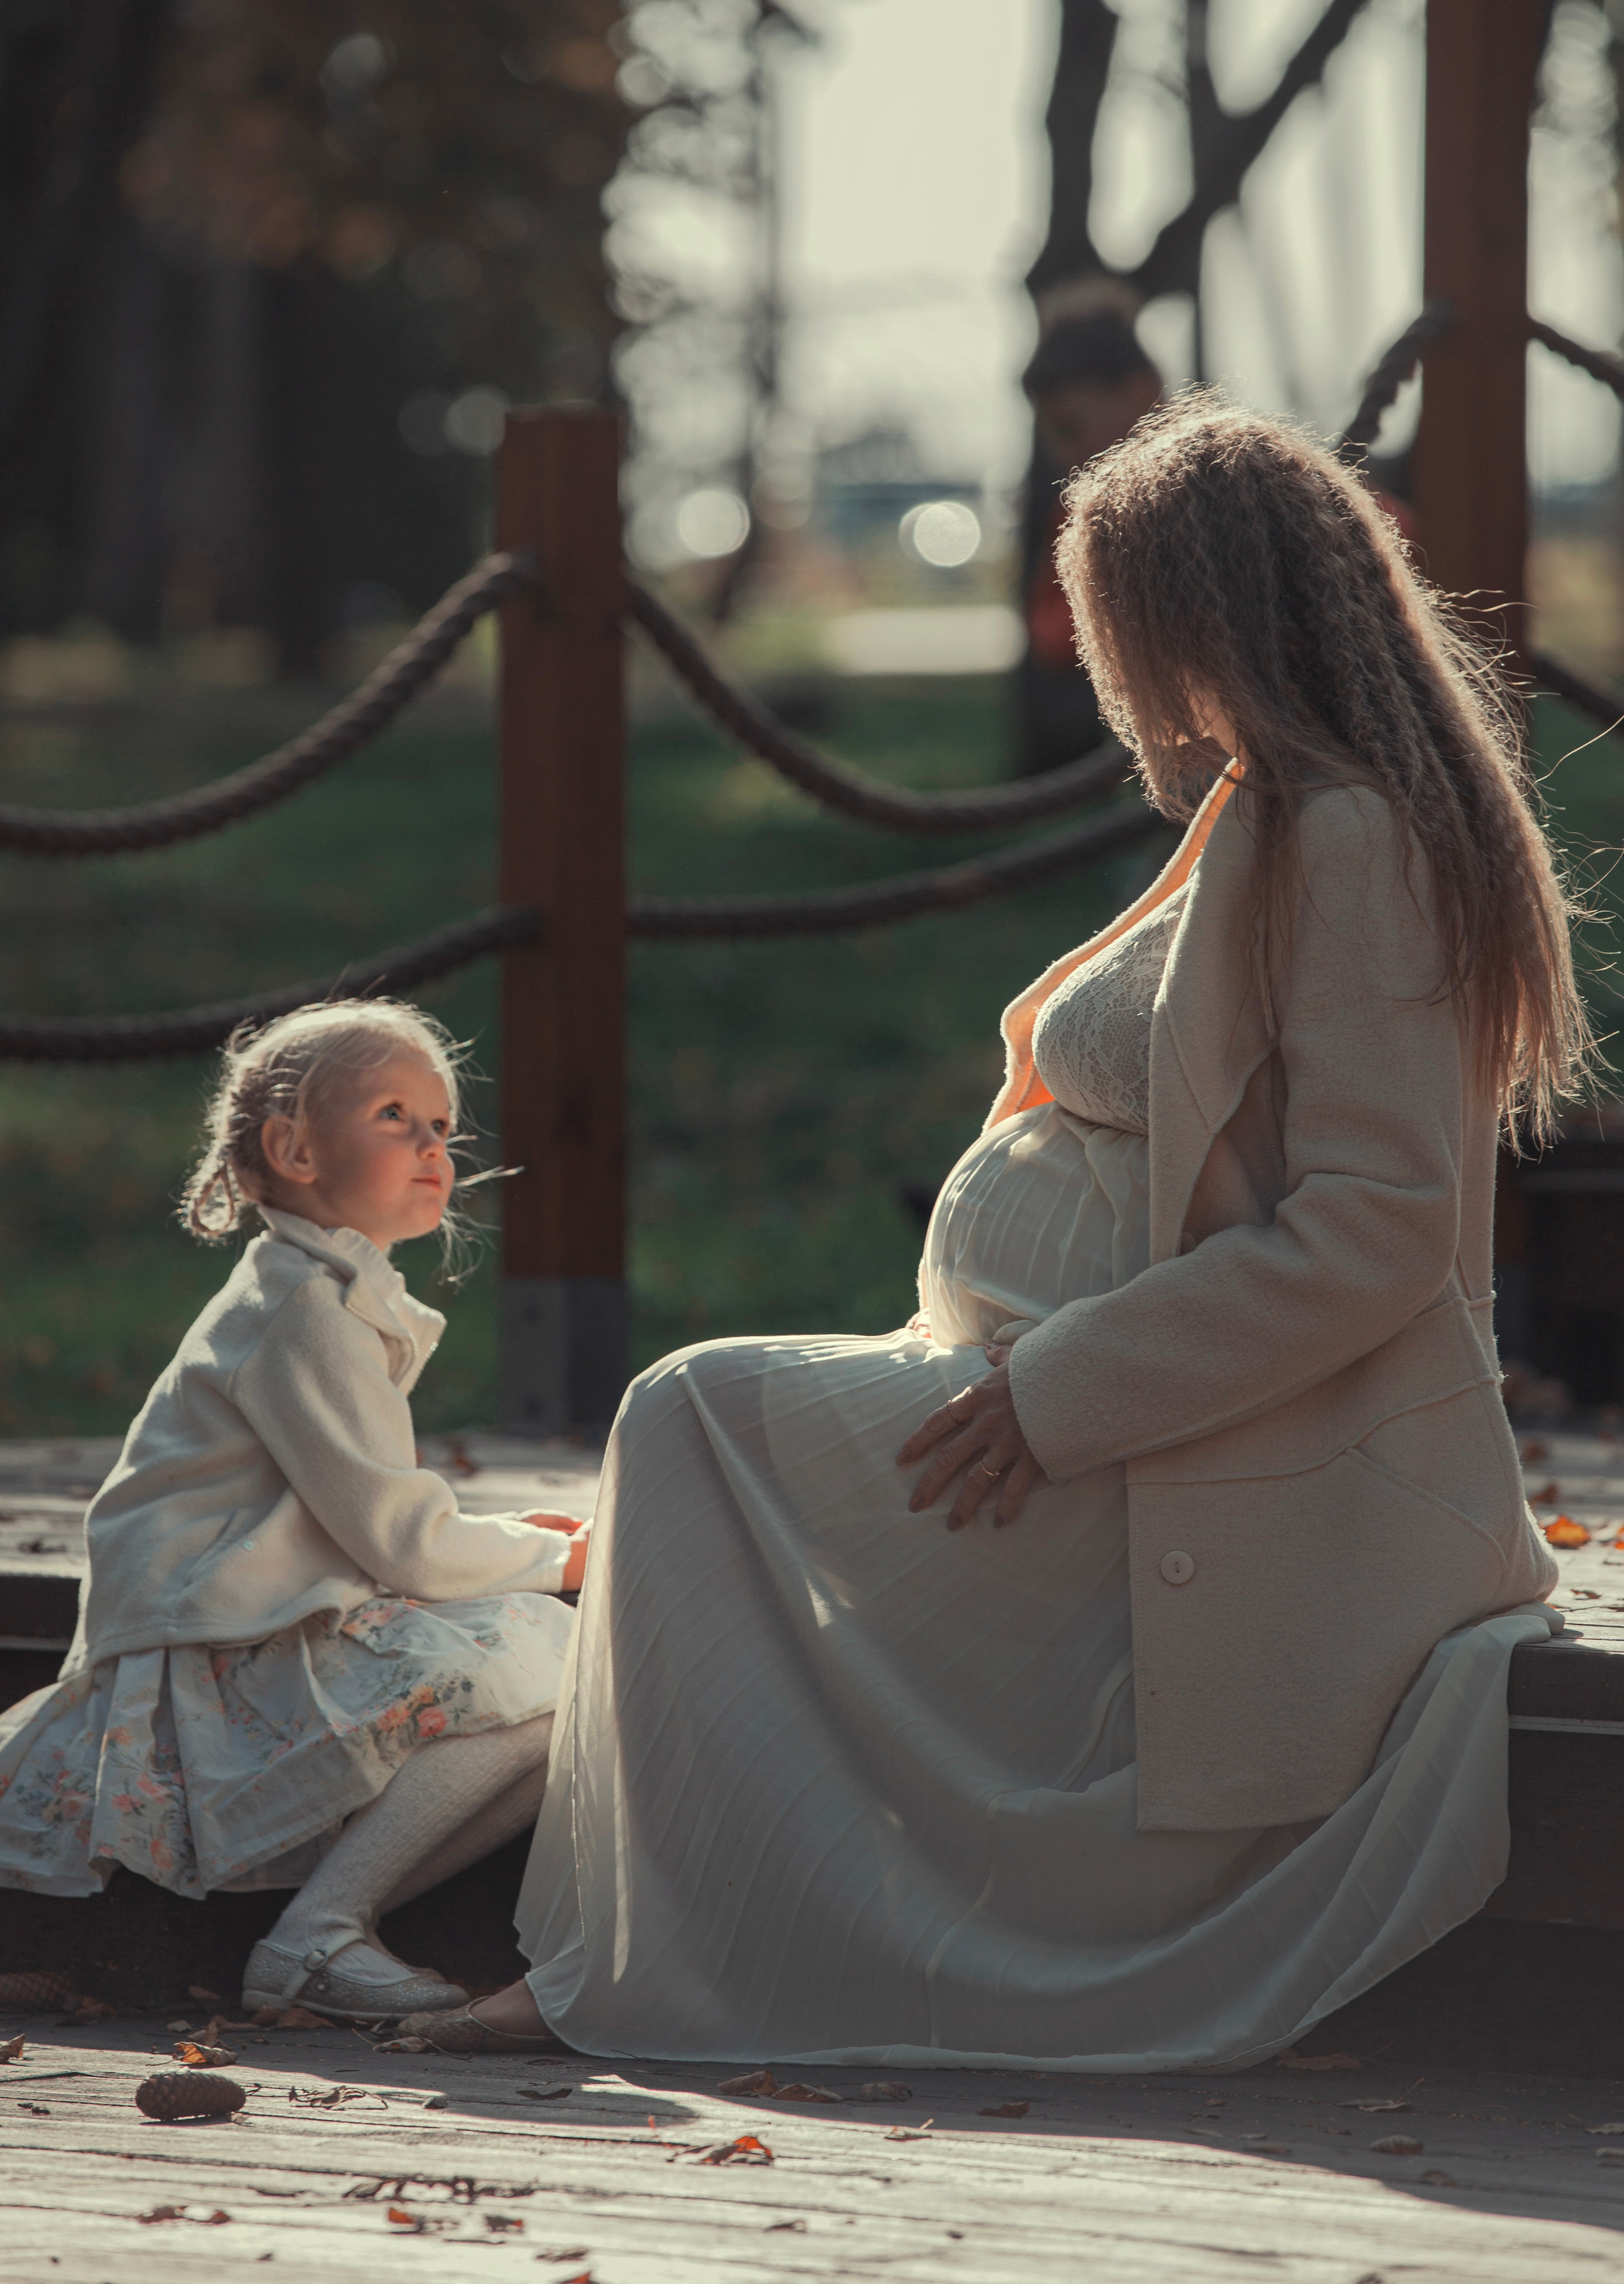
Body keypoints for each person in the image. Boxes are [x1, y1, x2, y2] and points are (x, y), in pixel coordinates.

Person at [410, 395, 1581, 2070]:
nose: (1106, 661)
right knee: (702, 1455)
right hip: (1075, 1426)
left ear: (1202, 605)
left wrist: (1062, 1385)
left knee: (688, 1423)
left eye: (1115, 611)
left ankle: (653, 1957)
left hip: (1180, 1452)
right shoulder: (1269, 805)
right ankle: (655, 1942)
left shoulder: (1352, 835)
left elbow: (1379, 1226)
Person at [0, 1000, 589, 2025]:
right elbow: (399, 1536)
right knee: (549, 1661)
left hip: (255, 1617)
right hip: (220, 1645)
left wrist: (514, 1551)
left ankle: (317, 1923)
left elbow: (363, 1515)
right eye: (394, 1115)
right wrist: (559, 1559)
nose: (433, 1145)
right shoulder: (302, 1314)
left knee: (551, 1685)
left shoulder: (311, 1288)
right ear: (292, 1147)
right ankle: (316, 1936)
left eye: (442, 1125)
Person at [1019, 279, 1163, 774]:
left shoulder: (1228, 480)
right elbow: (1051, 633)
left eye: (1071, 429)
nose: (1064, 454)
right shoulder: (1084, 513)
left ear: (1138, 393)